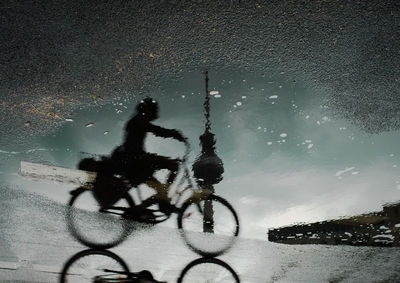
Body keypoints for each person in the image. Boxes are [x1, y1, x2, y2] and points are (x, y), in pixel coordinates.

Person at [107, 97, 187, 213]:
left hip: (134, 161)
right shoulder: (139, 120)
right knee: (173, 165)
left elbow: (153, 130)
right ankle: (163, 201)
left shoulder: (136, 120)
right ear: (148, 110)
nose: (155, 113)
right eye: (154, 110)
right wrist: (174, 134)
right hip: (137, 161)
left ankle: (149, 205)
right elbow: (157, 130)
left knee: (161, 190)